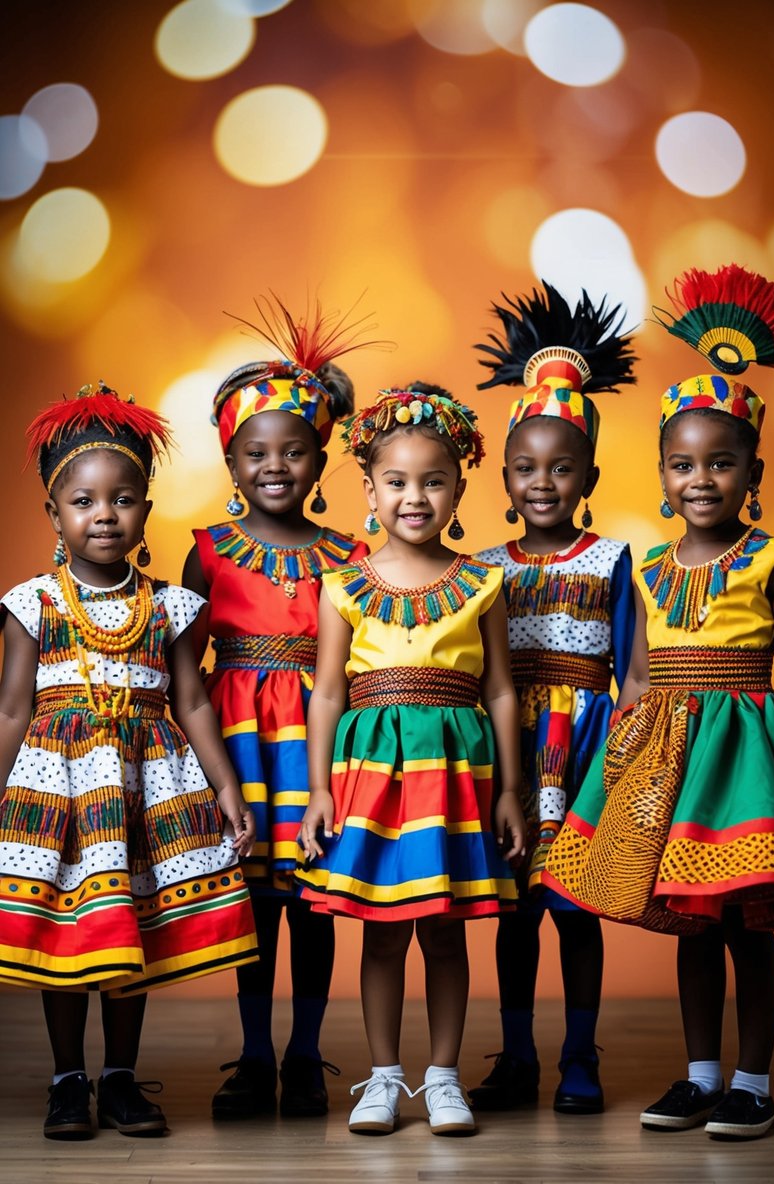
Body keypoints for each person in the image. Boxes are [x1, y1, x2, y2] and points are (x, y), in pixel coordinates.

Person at [543, 265, 774, 1140]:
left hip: (743, 762)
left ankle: (752, 1080)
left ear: (753, 470)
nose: (700, 479)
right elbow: (633, 676)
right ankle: (701, 1073)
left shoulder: (772, 559)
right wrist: (615, 769)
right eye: (681, 464)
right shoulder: (650, 568)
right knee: (691, 929)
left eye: (721, 462)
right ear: (661, 474)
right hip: (662, 759)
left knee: (745, 922)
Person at [0, 383, 257, 1141]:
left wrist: (227, 789)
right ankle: (65, 1078)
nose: (103, 514)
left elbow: (195, 703)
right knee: (66, 934)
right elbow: (14, 708)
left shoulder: (172, 606)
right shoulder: (32, 605)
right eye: (83, 500)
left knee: (125, 934)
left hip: (143, 790)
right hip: (58, 795)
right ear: (56, 516)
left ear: (146, 509)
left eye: (123, 499)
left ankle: (118, 1077)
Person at [297, 383, 524, 1136]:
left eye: (433, 481)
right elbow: (327, 694)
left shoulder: (482, 583)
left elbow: (498, 692)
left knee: (446, 927)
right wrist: (318, 792)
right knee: (381, 928)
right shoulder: (342, 585)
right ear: (368, 489)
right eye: (396, 482)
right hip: (369, 780)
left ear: (459, 488)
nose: (414, 497)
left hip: (455, 779)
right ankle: (384, 1078)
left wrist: (509, 792)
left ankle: (443, 1078)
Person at [182, 297, 372, 1120]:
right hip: (237, 742)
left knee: (312, 900)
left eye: (293, 452)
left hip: (317, 741)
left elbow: (364, 658)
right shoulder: (207, 553)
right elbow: (181, 669)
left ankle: (305, 1053)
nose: (274, 466)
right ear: (230, 460)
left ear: (319, 458)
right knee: (252, 903)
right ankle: (255, 1053)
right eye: (256, 452)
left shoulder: (349, 555)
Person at [469, 282, 637, 1115]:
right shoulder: (483, 568)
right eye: (527, 468)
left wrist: (634, 765)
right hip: (507, 750)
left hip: (585, 751)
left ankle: (579, 1054)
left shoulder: (612, 560)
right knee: (514, 911)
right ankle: (517, 1056)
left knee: (575, 911)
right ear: (503, 475)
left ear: (588, 475)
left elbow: (635, 672)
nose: (543, 482)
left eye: (561, 467)